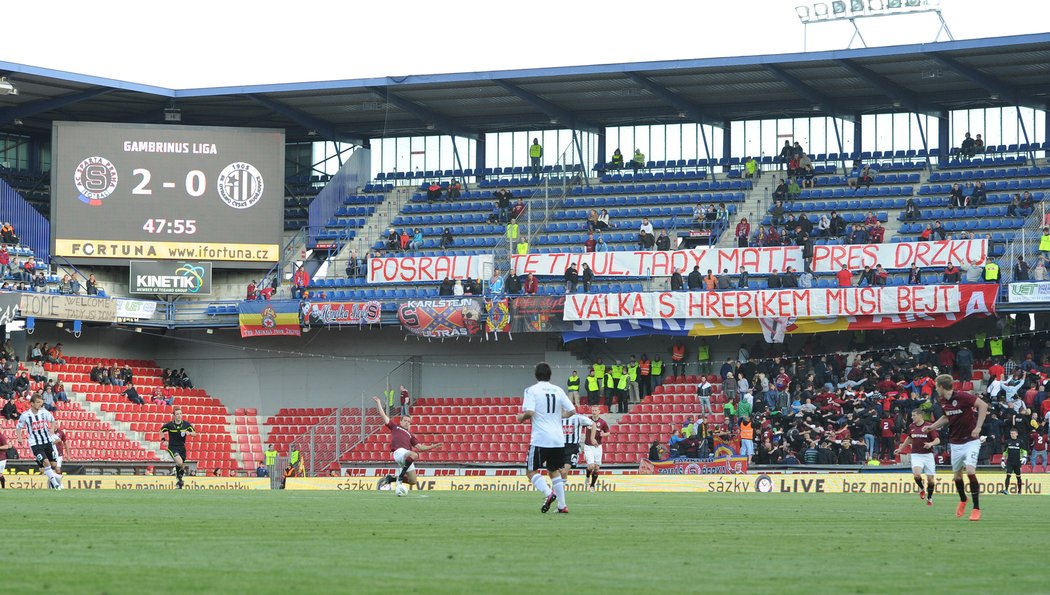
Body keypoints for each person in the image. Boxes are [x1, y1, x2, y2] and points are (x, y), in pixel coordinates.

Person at [924, 374, 989, 521]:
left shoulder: (963, 396)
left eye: (936, 386)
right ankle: (963, 499)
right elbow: (948, 416)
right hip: (955, 442)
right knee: (957, 476)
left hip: (971, 440)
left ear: (941, 387)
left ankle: (976, 509)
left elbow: (983, 406)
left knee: (970, 471)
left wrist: (978, 427)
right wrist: (932, 427)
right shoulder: (942, 401)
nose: (935, 389)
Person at [517, 362, 575, 513]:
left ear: (536, 375)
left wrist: (520, 418)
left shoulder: (531, 390)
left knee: (531, 471)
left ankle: (549, 494)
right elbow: (572, 410)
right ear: (550, 375)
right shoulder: (558, 390)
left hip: (540, 438)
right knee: (553, 470)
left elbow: (529, 412)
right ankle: (562, 506)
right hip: (558, 439)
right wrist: (558, 416)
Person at [373, 396, 442, 494]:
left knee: (413, 481)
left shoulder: (410, 435)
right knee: (414, 455)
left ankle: (390, 479)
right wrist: (379, 403)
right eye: (405, 421)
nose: (407, 423)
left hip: (406, 457)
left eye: (409, 422)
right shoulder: (395, 427)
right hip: (399, 452)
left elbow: (421, 447)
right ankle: (401, 476)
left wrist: (433, 446)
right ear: (400, 421)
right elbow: (384, 416)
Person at [895, 408, 940, 506]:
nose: (912, 417)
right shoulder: (911, 426)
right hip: (916, 454)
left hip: (928, 455)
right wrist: (901, 448)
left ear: (920, 416)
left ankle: (930, 497)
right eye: (912, 415)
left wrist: (930, 444)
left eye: (914, 415)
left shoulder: (928, 426)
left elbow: (937, 440)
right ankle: (922, 488)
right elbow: (909, 438)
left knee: (930, 480)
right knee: (916, 474)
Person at [16, 393, 63, 489]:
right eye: (37, 402)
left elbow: (53, 420)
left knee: (53, 464)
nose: (39, 404)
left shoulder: (44, 412)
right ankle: (55, 484)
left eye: (40, 402)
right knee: (45, 462)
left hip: (47, 441)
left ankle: (54, 477)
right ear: (32, 403)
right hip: (35, 443)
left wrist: (51, 428)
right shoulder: (25, 415)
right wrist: (19, 438)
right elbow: (18, 427)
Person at [160, 407, 195, 489]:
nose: (179, 415)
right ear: (174, 416)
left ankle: (179, 479)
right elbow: (161, 431)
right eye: (177, 414)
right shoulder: (170, 425)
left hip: (182, 447)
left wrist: (189, 433)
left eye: (180, 414)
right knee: (179, 462)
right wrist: (163, 440)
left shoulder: (186, 424)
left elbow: (194, 433)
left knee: (182, 465)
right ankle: (178, 477)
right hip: (172, 447)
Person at [561, 411, 594, 481]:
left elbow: (593, 423)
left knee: (564, 471)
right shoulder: (557, 417)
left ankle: (560, 491)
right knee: (557, 472)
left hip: (572, 447)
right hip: (559, 446)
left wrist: (592, 438)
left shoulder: (579, 418)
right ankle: (558, 490)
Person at [583, 410, 610, 492]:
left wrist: (603, 434)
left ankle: (592, 486)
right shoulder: (587, 420)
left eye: (596, 410)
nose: (594, 412)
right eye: (593, 410)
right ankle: (587, 476)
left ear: (599, 412)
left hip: (598, 446)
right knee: (591, 466)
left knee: (596, 468)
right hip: (588, 446)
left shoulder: (603, 422)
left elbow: (608, 433)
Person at [1000, 427, 1026, 495]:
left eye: (1014, 433)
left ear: (1017, 434)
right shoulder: (1007, 442)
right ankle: (1006, 490)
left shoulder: (1020, 441)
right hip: (1010, 462)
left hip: (1017, 462)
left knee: (1018, 477)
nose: (1012, 435)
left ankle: (1019, 491)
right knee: (1008, 475)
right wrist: (1003, 460)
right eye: (1011, 433)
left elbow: (1024, 451)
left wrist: (1024, 457)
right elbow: (1005, 452)